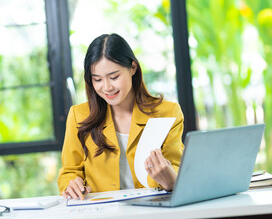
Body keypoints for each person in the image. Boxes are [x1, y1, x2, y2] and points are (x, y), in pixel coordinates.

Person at [57, 33, 184, 200]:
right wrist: (71, 184)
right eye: (97, 79)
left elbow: (177, 168)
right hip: (102, 212)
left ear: (133, 68)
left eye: (114, 77)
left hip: (154, 209)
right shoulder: (78, 116)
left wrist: (170, 180)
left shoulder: (168, 112)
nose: (107, 87)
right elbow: (69, 171)